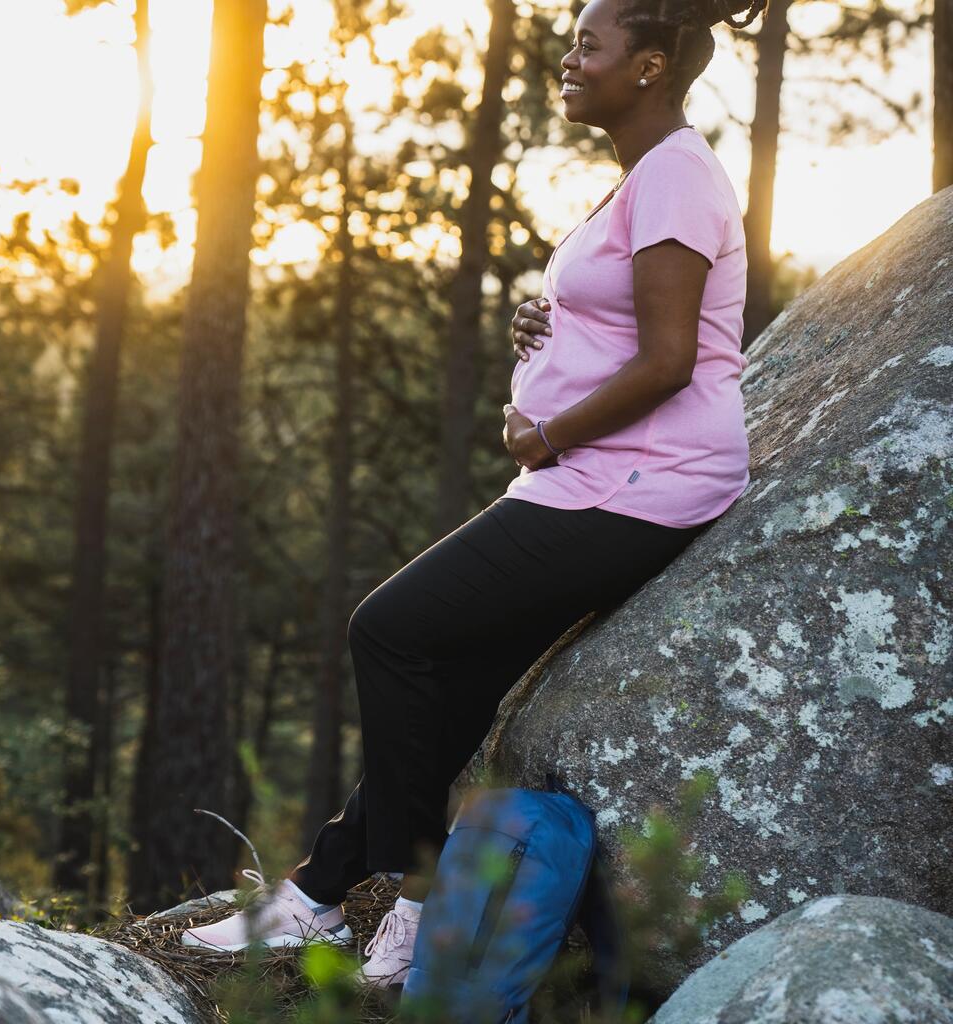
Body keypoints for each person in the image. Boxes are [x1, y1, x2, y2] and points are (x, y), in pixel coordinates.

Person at [181, 0, 766, 990]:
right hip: (602, 473)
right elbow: (633, 322)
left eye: (590, 45)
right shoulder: (651, 175)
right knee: (445, 678)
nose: (566, 60)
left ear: (652, 67)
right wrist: (553, 331)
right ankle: (318, 894)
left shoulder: (672, 176)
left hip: (636, 482)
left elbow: (672, 359)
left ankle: (411, 896)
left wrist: (546, 428)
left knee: (391, 629)